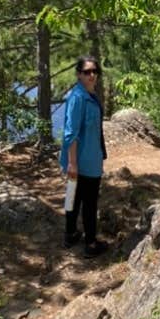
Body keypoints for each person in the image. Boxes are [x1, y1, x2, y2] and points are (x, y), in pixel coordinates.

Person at [60, 55, 108, 258]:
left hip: (89, 158)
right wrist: (72, 163)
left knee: (73, 197)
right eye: (87, 72)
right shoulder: (78, 97)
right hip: (82, 161)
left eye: (95, 71)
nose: (92, 75)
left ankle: (71, 235)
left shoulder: (89, 95)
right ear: (79, 74)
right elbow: (71, 133)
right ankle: (90, 244)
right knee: (86, 202)